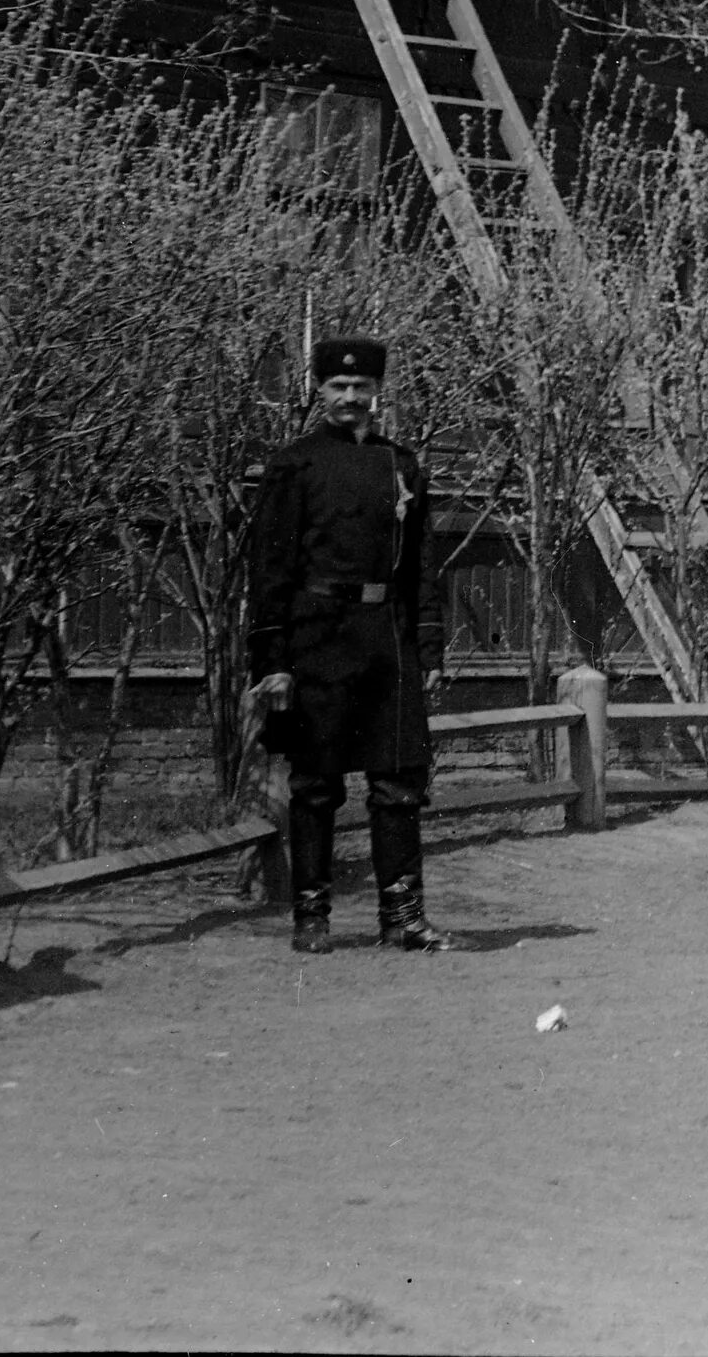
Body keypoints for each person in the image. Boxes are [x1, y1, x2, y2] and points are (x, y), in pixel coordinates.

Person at [246, 334, 448, 955]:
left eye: (361, 388)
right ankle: (312, 916)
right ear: (319, 390)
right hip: (317, 636)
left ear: (377, 392)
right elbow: (270, 567)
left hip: (385, 639)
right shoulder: (293, 464)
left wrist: (428, 648)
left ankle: (403, 919)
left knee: (398, 781)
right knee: (315, 783)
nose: (350, 398)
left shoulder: (402, 466)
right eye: (338, 387)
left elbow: (418, 565)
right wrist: (272, 661)